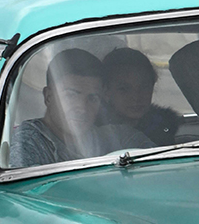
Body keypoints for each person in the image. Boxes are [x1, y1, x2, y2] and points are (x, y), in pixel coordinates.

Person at [8, 49, 149, 169]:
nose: (82, 108)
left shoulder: (116, 137)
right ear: (48, 96)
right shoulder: (27, 144)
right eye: (71, 96)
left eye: (93, 98)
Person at [100, 48, 182, 146]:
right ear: (106, 92)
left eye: (144, 87)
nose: (136, 97)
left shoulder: (164, 129)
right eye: (124, 89)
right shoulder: (94, 136)